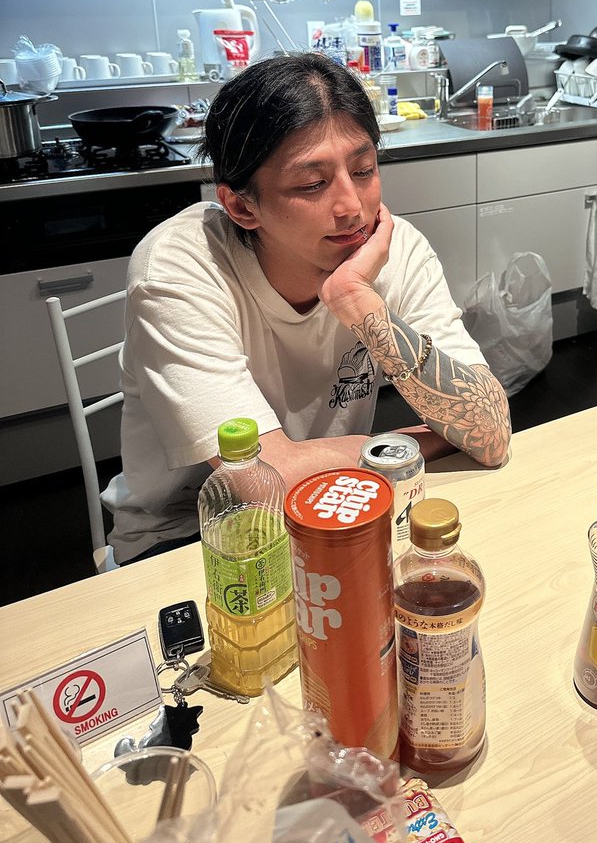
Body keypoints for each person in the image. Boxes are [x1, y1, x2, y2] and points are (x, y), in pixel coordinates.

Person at [102, 54, 511, 564]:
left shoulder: (393, 249)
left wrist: (358, 301)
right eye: (312, 184)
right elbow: (264, 483)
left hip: (343, 504)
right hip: (190, 534)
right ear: (242, 206)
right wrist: (418, 443)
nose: (352, 208)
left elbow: (491, 434)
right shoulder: (178, 266)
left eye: (363, 170)